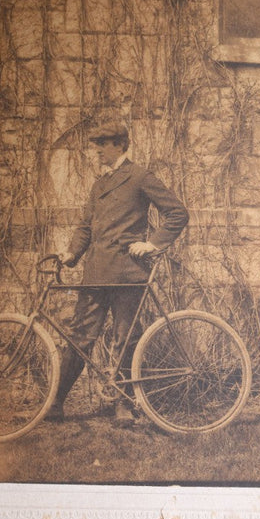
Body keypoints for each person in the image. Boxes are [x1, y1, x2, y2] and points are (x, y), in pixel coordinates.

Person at [47, 121, 189, 423]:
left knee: (126, 339)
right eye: (96, 144)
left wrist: (152, 245)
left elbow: (177, 213)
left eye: (103, 144)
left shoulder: (139, 177)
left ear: (120, 145)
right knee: (80, 338)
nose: (97, 150)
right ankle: (55, 403)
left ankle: (122, 404)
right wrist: (72, 253)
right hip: (96, 273)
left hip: (128, 274)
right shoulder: (99, 184)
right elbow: (85, 227)